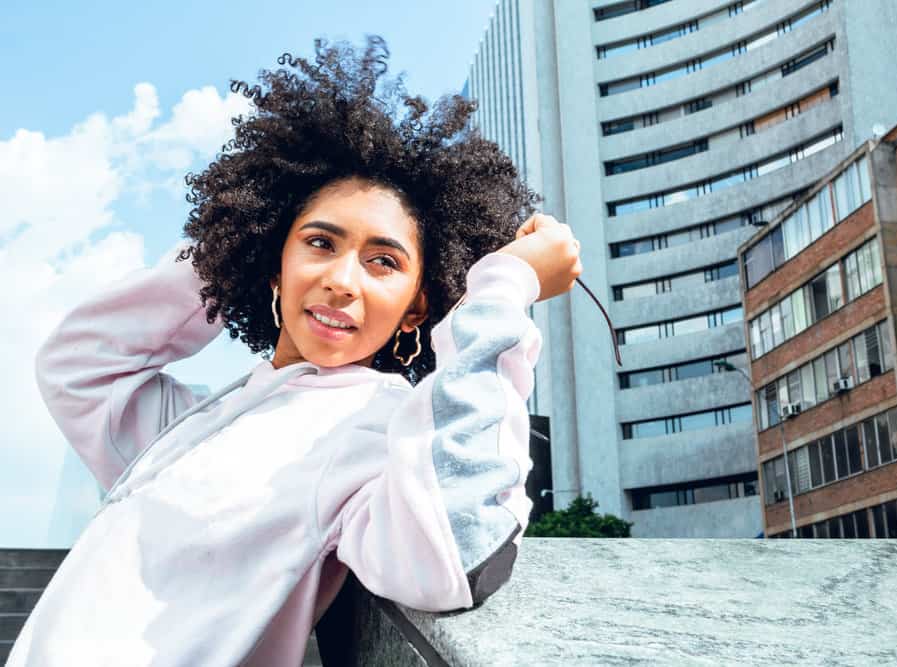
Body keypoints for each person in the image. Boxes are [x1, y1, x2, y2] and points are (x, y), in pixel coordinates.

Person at [8, 37, 581, 666]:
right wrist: (228, 252)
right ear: (277, 266)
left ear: (417, 307)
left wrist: (502, 290)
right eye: (318, 243)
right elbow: (79, 365)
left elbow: (456, 551)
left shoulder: (378, 426)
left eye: (383, 261)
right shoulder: (196, 421)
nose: (342, 278)